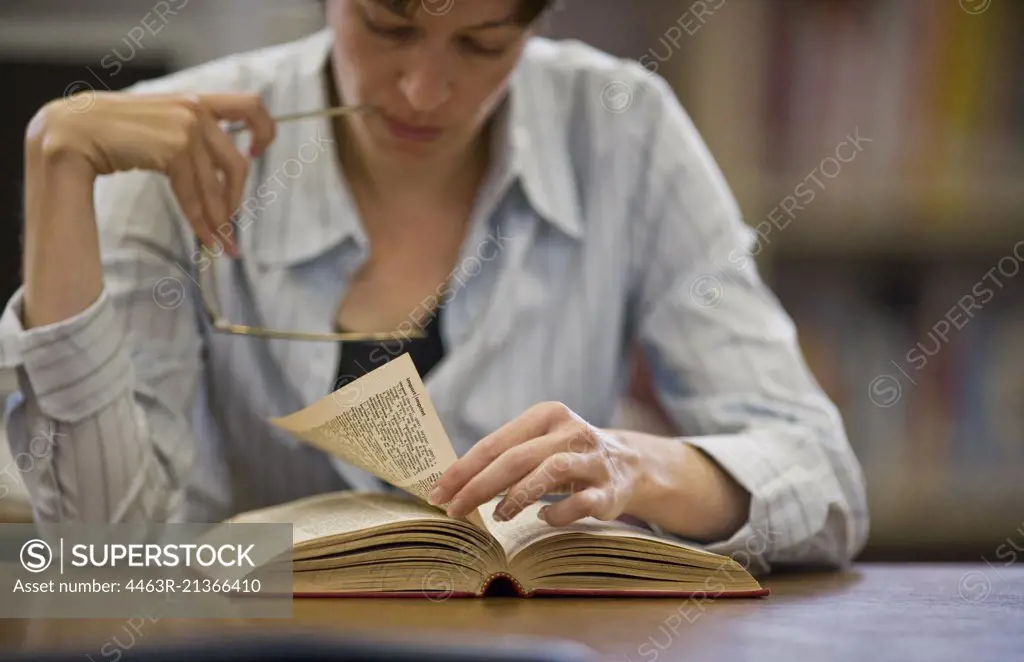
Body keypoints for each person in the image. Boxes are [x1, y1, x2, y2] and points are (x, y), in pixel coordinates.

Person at [1, 0, 867, 571]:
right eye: (388, 26)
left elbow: (823, 480)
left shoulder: (623, 131)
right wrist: (58, 174)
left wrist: (636, 466)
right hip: (240, 659)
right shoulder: (169, 146)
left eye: (483, 45)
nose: (423, 89)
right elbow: (99, 554)